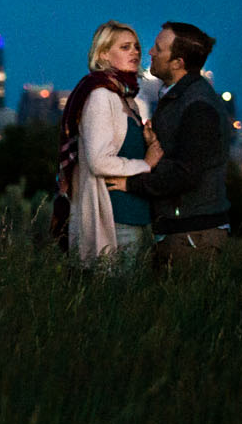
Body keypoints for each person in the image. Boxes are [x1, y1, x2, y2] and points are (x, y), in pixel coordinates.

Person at [123, 21, 231, 270]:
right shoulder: (179, 97)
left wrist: (131, 183)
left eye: (158, 49)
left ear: (178, 62)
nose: (149, 52)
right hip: (184, 231)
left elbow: (185, 174)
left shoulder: (197, 105)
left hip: (192, 236)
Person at [52, 21, 156, 271]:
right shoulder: (100, 95)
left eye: (137, 47)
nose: (135, 52)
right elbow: (99, 161)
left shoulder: (127, 98)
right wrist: (146, 164)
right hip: (114, 219)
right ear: (103, 55)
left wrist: (147, 142)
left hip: (136, 217)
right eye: (125, 47)